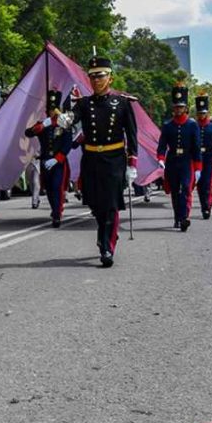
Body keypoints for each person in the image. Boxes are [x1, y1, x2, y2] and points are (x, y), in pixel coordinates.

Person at [57, 56, 138, 268]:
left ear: (110, 77)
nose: (96, 80)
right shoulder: (85, 103)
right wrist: (66, 119)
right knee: (97, 205)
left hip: (114, 160)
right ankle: (108, 234)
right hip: (91, 160)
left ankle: (106, 246)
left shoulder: (122, 103)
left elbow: (132, 135)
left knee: (110, 205)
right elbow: (73, 116)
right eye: (92, 77)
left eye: (100, 76)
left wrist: (132, 165)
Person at [24, 89, 73, 227]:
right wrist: (42, 125)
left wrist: (57, 158)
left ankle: (57, 215)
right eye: (50, 109)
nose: (52, 112)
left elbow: (67, 144)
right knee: (49, 189)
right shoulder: (43, 124)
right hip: (45, 161)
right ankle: (54, 209)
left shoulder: (64, 124)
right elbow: (28, 133)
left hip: (58, 162)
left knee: (57, 187)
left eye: (54, 109)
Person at [156, 84, 201, 231]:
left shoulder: (192, 125)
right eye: (176, 107)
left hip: (186, 161)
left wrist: (198, 167)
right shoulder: (168, 125)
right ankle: (178, 217)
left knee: (185, 189)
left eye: (180, 107)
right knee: (175, 191)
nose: (178, 110)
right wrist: (161, 158)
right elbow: (162, 144)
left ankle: (184, 218)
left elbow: (196, 147)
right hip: (172, 161)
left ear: (185, 108)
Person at [193, 95, 212, 219]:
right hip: (197, 157)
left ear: (207, 113)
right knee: (200, 185)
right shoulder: (193, 125)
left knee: (208, 183)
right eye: (199, 113)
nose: (201, 115)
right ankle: (203, 205)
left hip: (209, 158)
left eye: (203, 113)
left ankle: (207, 207)